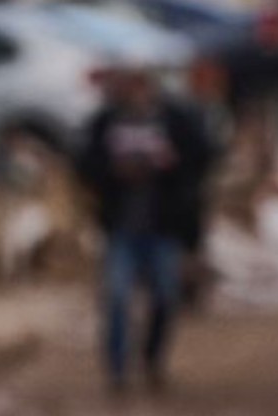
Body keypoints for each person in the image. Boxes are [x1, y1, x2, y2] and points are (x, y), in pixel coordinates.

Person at [78, 64, 213, 392]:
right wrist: (112, 173)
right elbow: (85, 164)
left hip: (162, 228)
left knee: (165, 297)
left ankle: (152, 360)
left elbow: (200, 163)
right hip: (121, 228)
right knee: (118, 297)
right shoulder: (106, 122)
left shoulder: (176, 122)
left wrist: (170, 168)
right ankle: (117, 369)